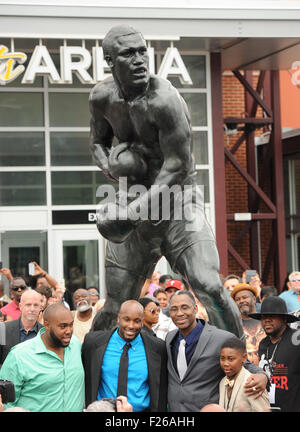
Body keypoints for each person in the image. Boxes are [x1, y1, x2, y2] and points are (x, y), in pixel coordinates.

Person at [89, 25, 243, 338]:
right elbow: (97, 142)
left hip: (178, 205)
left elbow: (178, 166)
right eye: (127, 54)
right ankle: (89, 374)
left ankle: (241, 362)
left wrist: (133, 212)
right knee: (114, 305)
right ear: (109, 60)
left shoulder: (165, 100)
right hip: (135, 201)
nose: (138, 59)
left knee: (210, 286)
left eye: (141, 51)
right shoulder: (101, 97)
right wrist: (110, 165)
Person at [165, 290, 268, 412]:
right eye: (174, 309)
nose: (179, 313)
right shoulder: (169, 338)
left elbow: (244, 363)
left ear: (195, 309)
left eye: (184, 308)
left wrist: (263, 375)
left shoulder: (221, 338)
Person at [82, 300, 167, 412]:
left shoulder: (157, 347)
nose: (131, 326)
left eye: (137, 321)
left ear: (142, 322)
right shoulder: (93, 343)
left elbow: (161, 388)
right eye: (126, 320)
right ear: (118, 318)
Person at [0, 303, 84, 412]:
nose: (69, 331)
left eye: (71, 325)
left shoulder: (76, 345)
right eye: (62, 326)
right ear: (47, 325)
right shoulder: (19, 356)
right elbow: (5, 403)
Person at [248, 296, 300, 412]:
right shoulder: (263, 344)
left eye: (272, 316)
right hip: (268, 407)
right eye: (264, 317)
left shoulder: (296, 339)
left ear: (284, 319)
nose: (267, 320)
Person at [219, 337, 270, 412]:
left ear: (244, 358)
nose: (225, 364)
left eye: (231, 359)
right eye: (222, 358)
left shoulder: (252, 383)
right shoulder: (222, 382)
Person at [0, 289, 43, 366]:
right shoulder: (3, 329)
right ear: (20, 306)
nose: (32, 309)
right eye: (28, 305)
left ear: (40, 307)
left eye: (36, 305)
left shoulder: (45, 333)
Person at [231, 283, 265, 365]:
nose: (241, 301)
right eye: (238, 299)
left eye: (245, 297)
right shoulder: (234, 326)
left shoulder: (265, 320)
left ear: (253, 299)